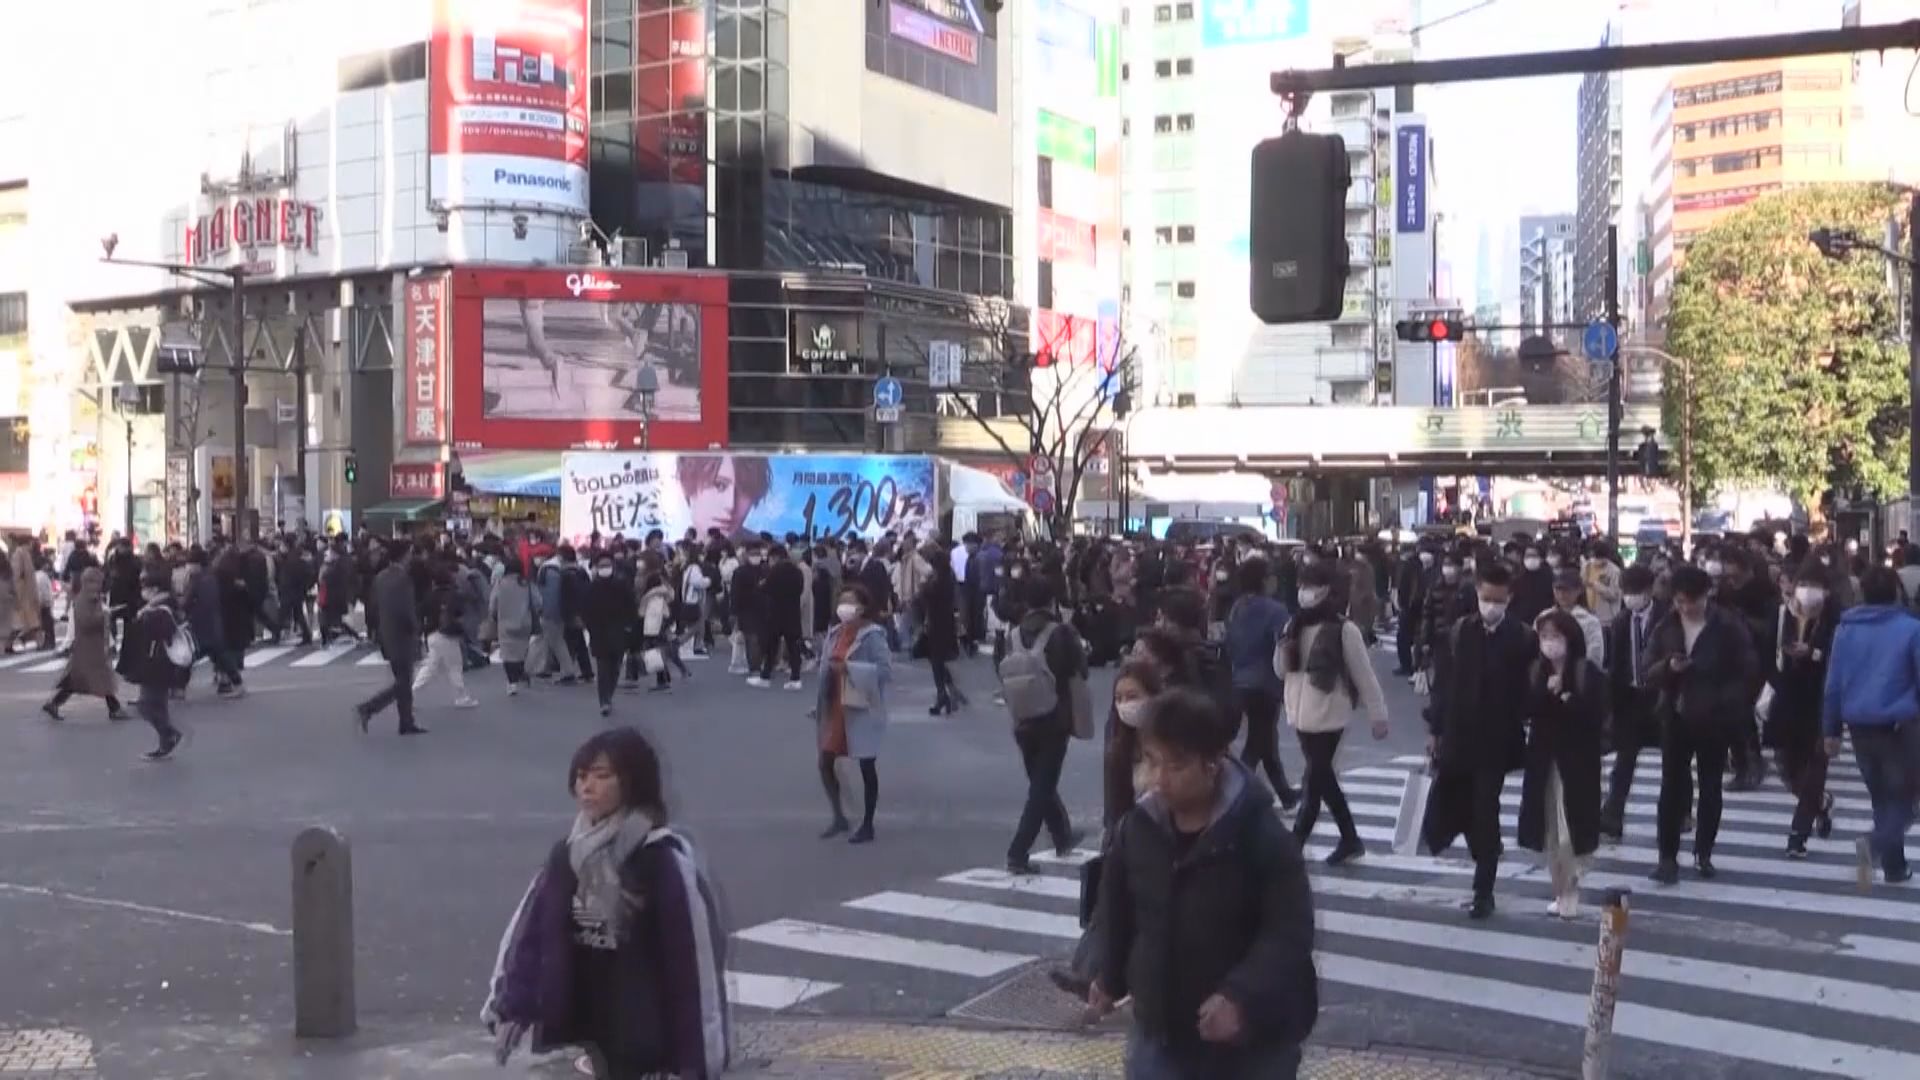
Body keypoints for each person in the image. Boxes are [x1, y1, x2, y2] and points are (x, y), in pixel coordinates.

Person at [1087, 688, 1318, 1079]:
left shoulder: (1259, 834)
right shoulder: (1139, 828)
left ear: (1213, 764)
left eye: (1175, 766)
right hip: (1160, 1033)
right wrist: (1108, 977)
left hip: (1249, 1042)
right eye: (1151, 761)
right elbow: (1117, 910)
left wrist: (1239, 996)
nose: (1158, 779)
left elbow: (1289, 930)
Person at [482, 727, 732, 1079]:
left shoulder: (661, 861)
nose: (588, 786)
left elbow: (692, 966)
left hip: (645, 1034)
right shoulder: (568, 855)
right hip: (588, 1022)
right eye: (582, 776)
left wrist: (695, 1063)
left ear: (633, 782)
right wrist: (511, 1006)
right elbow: (531, 932)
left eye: (602, 776)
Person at [1422, 560, 1535, 919]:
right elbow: (1442, 685)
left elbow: (1528, 690)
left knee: (1486, 808)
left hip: (1496, 741)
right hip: (1458, 734)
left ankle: (1483, 889)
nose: (1491, 606)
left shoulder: (1521, 637)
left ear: (1509, 598)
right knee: (1458, 801)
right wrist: (1435, 731)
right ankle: (1482, 848)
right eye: (1486, 598)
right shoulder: (1460, 632)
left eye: (1498, 600)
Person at [1644, 565, 1759, 885]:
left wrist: (1724, 700)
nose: (1684, 607)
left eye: (1690, 601)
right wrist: (1669, 667)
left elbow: (1747, 670)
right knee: (1671, 786)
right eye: (1679, 601)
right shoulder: (1667, 625)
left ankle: (1703, 851)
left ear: (1706, 595)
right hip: (1675, 714)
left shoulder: (1727, 625)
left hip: (1714, 717)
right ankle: (1667, 857)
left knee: (1710, 785)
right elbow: (1648, 669)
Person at [1276, 560, 1389, 865]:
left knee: (1315, 778)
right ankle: (1350, 839)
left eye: (1310, 587)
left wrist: (1378, 714)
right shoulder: (1294, 624)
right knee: (1323, 780)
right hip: (1300, 713)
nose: (1304, 593)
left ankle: (1295, 843)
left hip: (1330, 713)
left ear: (1326, 591)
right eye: (1301, 586)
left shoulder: (1344, 629)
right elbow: (1281, 671)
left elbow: (1363, 674)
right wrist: (1284, 647)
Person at [1822, 566, 1920, 883]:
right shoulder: (1910, 629)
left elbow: (1833, 684)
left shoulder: (1845, 629)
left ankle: (1892, 867)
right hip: (1900, 726)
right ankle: (1874, 846)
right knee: (1906, 801)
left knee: (1883, 797)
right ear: (1896, 592)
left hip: (1859, 726)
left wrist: (1831, 729)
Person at [1519, 609, 1605, 918]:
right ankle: (1559, 889)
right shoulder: (1534, 671)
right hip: (1543, 760)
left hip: (1577, 761)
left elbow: (1596, 716)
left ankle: (1571, 888)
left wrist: (1567, 697)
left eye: (1555, 636)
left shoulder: (1585, 672)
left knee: (1571, 828)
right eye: (1544, 636)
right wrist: (1545, 693)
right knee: (1550, 831)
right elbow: (1526, 708)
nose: (1549, 643)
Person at [1003, 578, 1088, 874]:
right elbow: (1080, 670)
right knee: (1042, 786)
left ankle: (1062, 835)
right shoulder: (1061, 632)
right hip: (1054, 717)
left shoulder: (1013, 635)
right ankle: (1018, 851)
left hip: (1022, 717)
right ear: (1052, 600)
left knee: (1040, 780)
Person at [815, 584, 891, 844]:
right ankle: (839, 815)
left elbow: (883, 670)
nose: (843, 607)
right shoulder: (835, 633)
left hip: (860, 704)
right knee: (825, 760)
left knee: (866, 764)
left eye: (849, 602)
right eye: (841, 601)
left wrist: (849, 668)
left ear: (862, 607)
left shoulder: (873, 635)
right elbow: (825, 667)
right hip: (835, 702)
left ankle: (868, 822)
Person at [1225, 557, 1300, 809]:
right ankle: (1235, 795)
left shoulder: (1237, 607)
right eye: (1271, 576)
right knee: (1257, 743)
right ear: (1263, 580)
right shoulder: (1275, 610)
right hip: (1266, 682)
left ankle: (1285, 793)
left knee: (1266, 740)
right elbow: (1284, 642)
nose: (1275, 580)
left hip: (1240, 679)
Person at [1601, 565, 1666, 840]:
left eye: (1636, 592)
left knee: (1674, 761)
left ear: (1650, 591)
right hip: (1631, 698)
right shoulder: (1621, 621)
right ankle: (1612, 816)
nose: (1631, 598)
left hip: (1662, 698)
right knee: (1624, 761)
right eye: (1627, 593)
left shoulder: (1667, 617)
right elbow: (1615, 664)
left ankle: (1681, 812)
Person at [355, 542, 427, 736]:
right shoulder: (403, 579)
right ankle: (369, 708)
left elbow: (373, 605)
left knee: (402, 679)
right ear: (404, 556)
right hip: (403, 634)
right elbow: (407, 609)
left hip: (387, 632)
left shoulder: (381, 577)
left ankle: (406, 721)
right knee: (403, 681)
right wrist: (416, 629)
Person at [42, 567, 127, 722]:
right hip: (89, 646)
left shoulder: (89, 599)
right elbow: (86, 622)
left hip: (90, 645)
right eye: (97, 582)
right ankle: (114, 708)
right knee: (99, 678)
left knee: (78, 679)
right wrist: (105, 614)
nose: (100, 586)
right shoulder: (84, 601)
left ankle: (54, 703)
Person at [128, 570, 187, 760]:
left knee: (146, 705)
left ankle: (169, 735)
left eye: (145, 587)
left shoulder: (159, 611)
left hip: (156, 665)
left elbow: (153, 635)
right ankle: (165, 742)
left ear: (154, 589)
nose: (142, 591)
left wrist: (143, 616)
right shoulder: (162, 607)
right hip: (162, 664)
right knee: (158, 705)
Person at [414, 562, 480, 710]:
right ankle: (461, 697)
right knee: (455, 666)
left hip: (431, 634)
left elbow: (420, 612)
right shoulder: (453, 594)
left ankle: (411, 694)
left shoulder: (429, 596)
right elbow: (460, 612)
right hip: (447, 635)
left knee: (430, 667)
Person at [585, 553, 637, 717]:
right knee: (602, 668)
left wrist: (630, 625)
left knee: (615, 667)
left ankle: (609, 694)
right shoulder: (592, 587)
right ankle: (604, 700)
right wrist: (590, 626)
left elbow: (631, 606)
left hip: (618, 631)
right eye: (602, 566)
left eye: (607, 566)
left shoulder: (621, 585)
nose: (605, 569)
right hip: (600, 632)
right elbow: (586, 610)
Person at [750, 544, 806, 690]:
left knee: (771, 648)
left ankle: (765, 676)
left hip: (776, 613)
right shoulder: (797, 571)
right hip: (792, 613)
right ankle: (795, 678)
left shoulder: (774, 571)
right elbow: (800, 590)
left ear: (774, 557)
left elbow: (765, 589)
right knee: (793, 647)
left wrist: (762, 585)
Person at [919, 543, 966, 715]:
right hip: (944, 621)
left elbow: (926, 595)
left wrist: (923, 586)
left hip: (937, 622)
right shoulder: (947, 576)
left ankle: (943, 694)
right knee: (937, 660)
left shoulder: (938, 579)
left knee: (936, 660)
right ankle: (948, 692)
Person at [490, 560, 537, 696]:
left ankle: (512, 682)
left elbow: (493, 604)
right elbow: (538, 602)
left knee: (507, 654)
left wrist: (494, 615)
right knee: (521, 651)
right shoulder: (527, 584)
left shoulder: (500, 584)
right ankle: (521, 671)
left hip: (505, 623)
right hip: (524, 623)